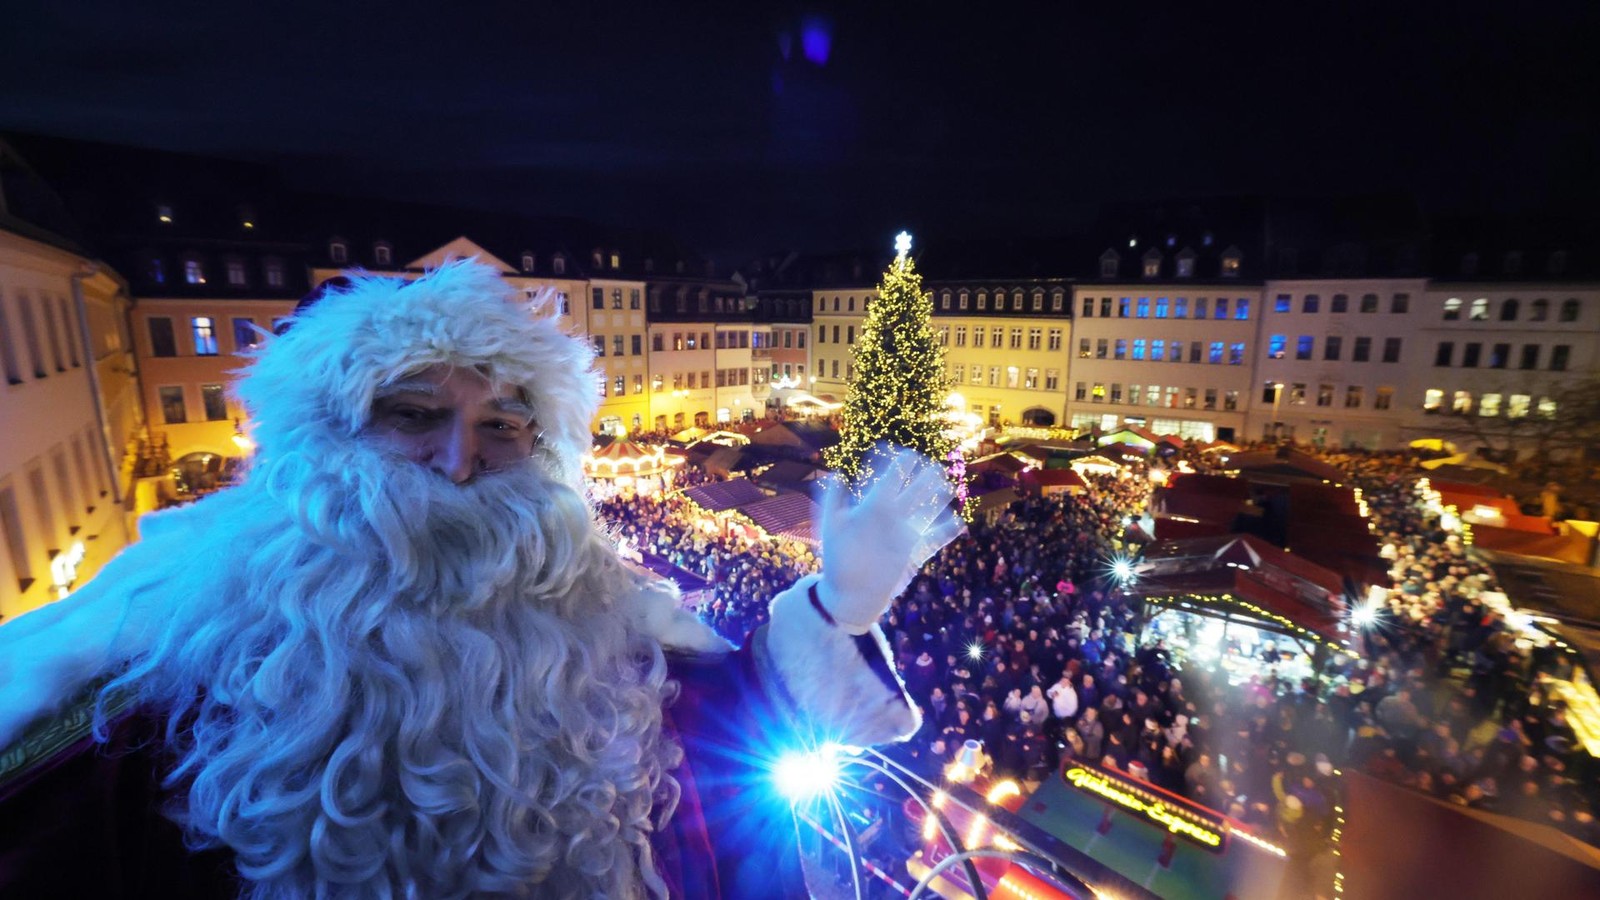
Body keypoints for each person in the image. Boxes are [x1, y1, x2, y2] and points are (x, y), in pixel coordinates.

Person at [0, 261, 962, 898]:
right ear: (326, 438)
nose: (459, 462)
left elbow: (723, 739)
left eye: (501, 426)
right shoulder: (168, 638)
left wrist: (841, 606)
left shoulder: (598, 612)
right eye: (415, 414)